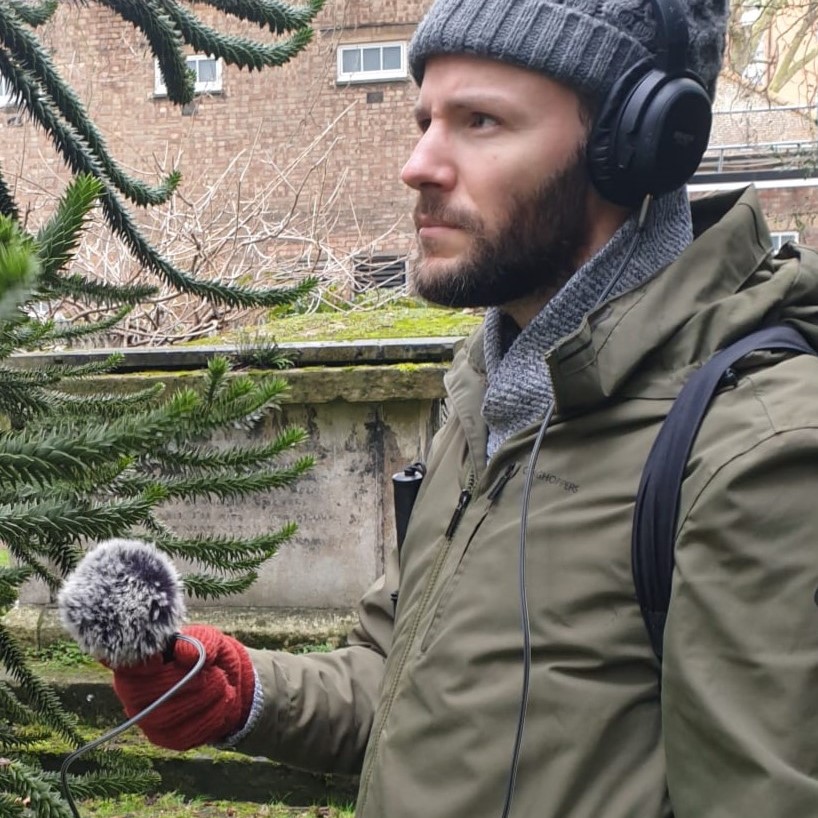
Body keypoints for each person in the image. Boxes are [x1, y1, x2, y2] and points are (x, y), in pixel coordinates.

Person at [109, 0, 818, 815]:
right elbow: (405, 684)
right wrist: (243, 692)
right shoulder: (492, 393)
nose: (418, 164)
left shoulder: (753, 445)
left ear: (636, 149)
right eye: (425, 120)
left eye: (480, 121)